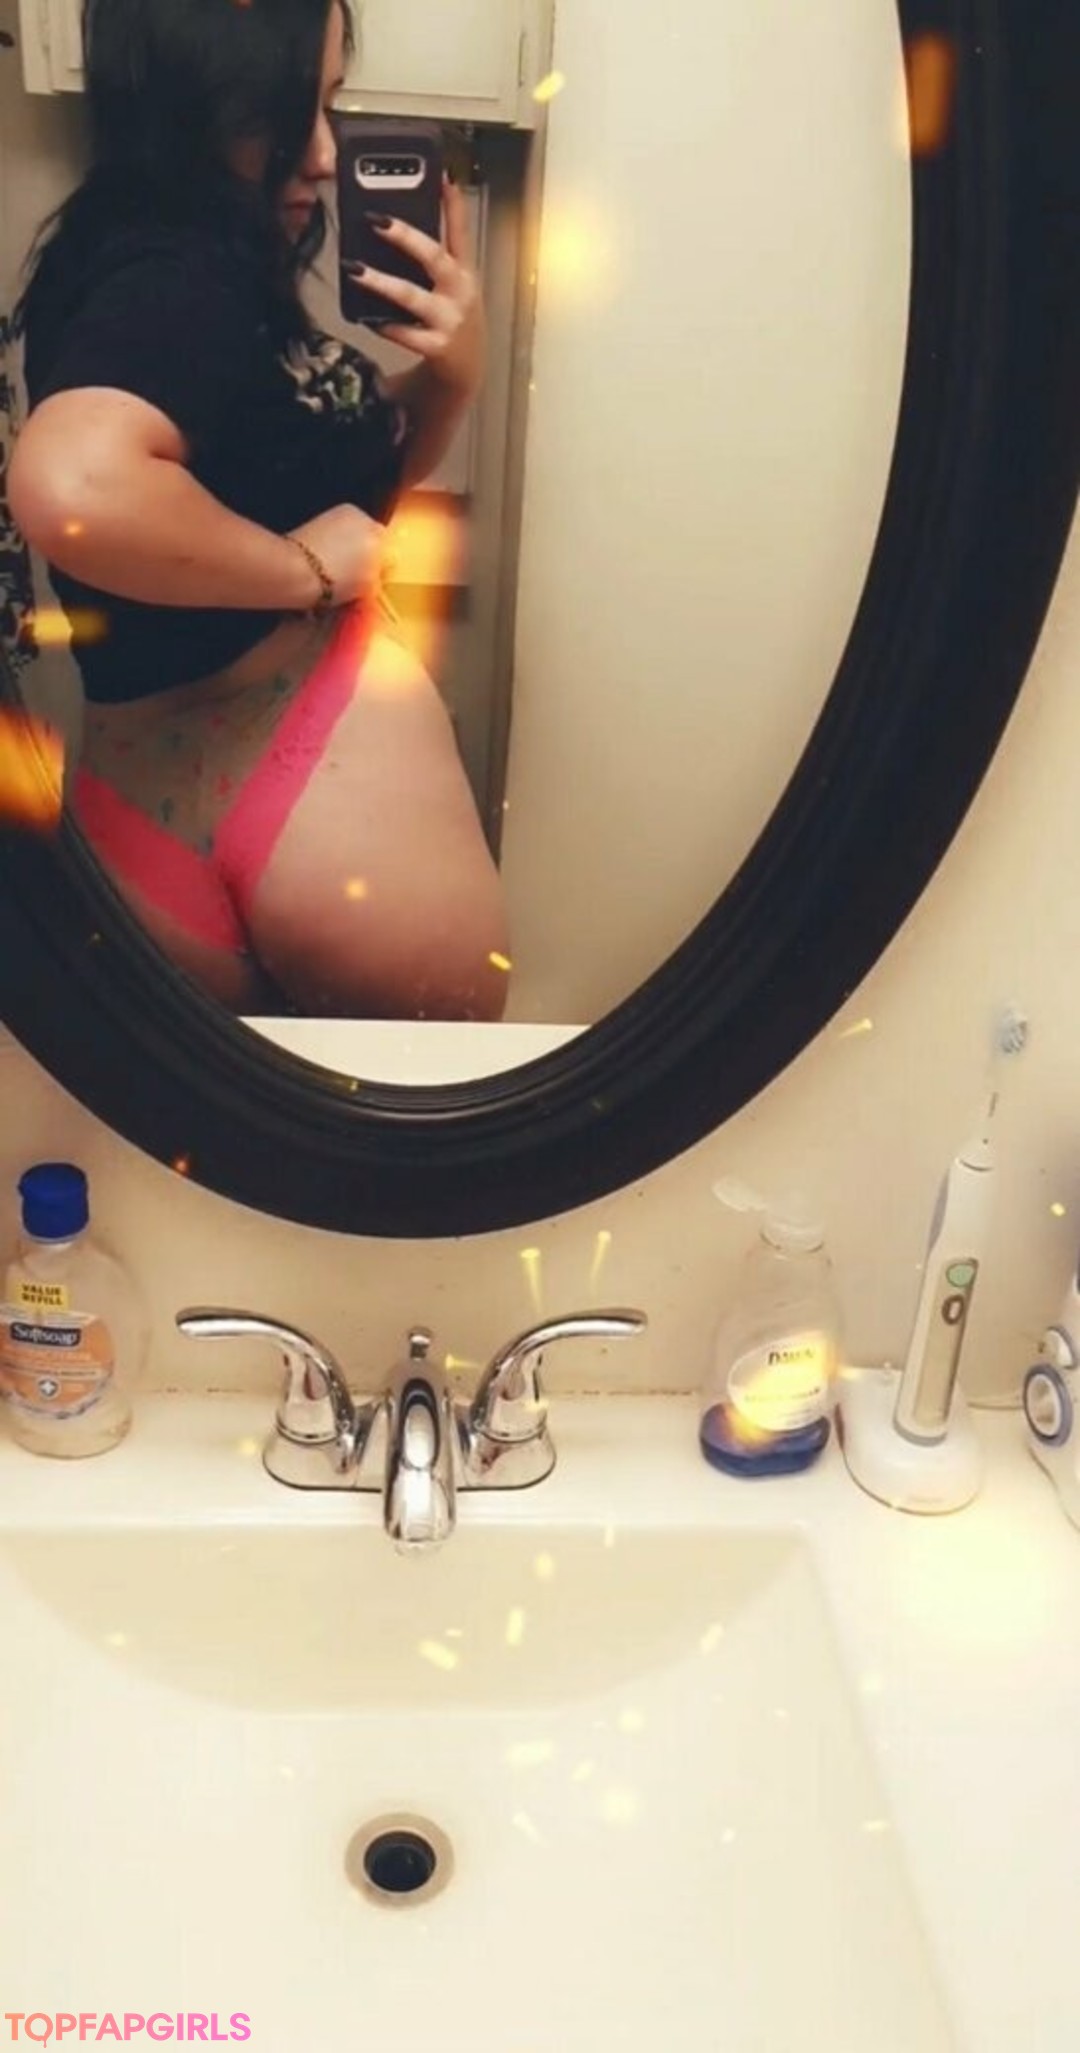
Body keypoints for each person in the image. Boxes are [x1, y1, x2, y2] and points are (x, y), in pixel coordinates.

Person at [9, 0, 510, 1021]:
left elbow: (309, 495)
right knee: (426, 1116)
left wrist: (451, 377)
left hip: (140, 810)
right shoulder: (175, 278)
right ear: (192, 100)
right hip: (299, 756)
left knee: (204, 1130)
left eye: (328, 106)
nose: (322, 156)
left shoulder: (128, 261)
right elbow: (72, 488)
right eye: (283, 113)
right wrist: (304, 572)